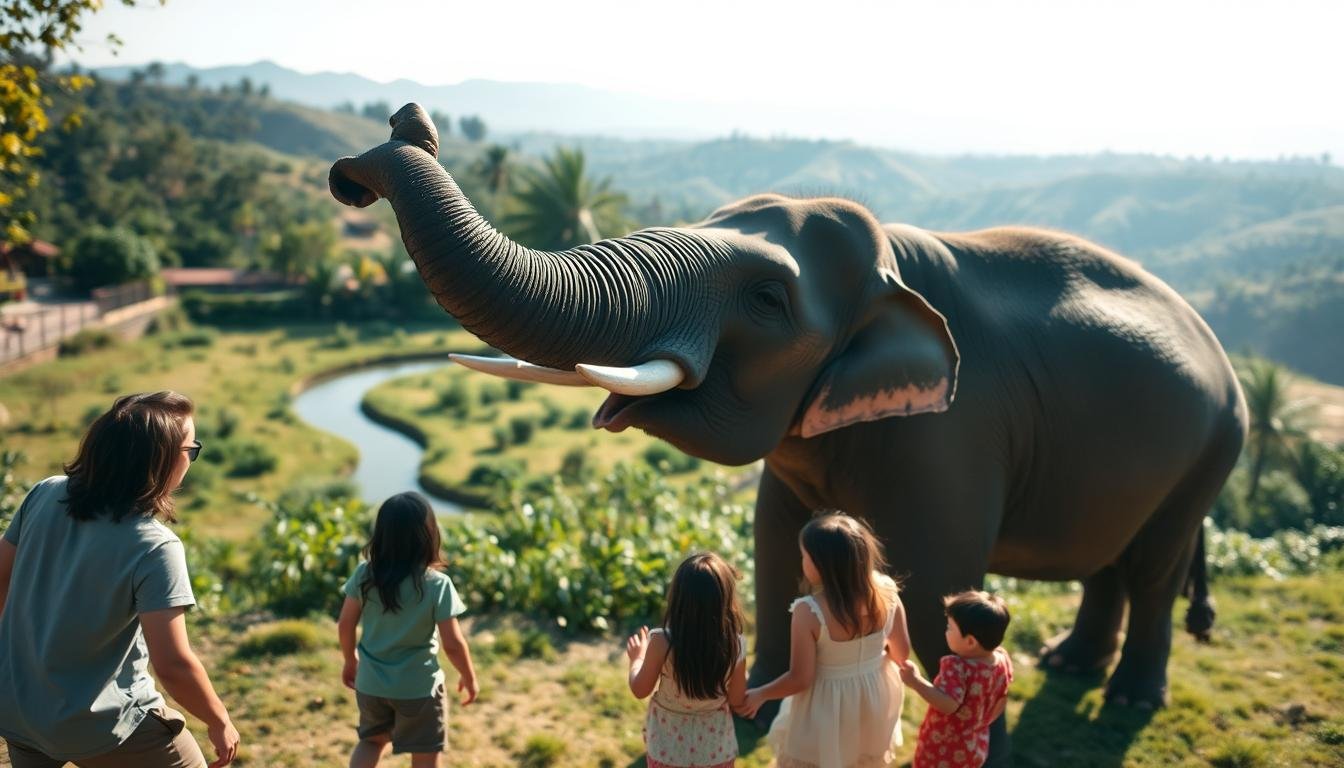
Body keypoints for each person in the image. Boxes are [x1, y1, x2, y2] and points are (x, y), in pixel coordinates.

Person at [0, 391, 240, 767]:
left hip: (18, 708)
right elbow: (173, 665)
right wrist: (219, 719)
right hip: (103, 723)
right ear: (160, 461)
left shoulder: (44, 494)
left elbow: (1, 580)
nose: (192, 459)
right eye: (191, 450)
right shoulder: (154, 547)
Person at [740, 511, 910, 768]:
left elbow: (801, 678)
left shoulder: (809, 611)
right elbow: (901, 653)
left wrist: (760, 694)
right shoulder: (887, 593)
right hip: (873, 697)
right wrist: (865, 659)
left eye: (804, 556)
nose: (802, 562)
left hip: (826, 707)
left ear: (822, 565)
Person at [338, 491, 477, 768]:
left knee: (371, 741)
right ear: (429, 535)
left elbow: (345, 623)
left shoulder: (365, 574)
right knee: (425, 754)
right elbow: (453, 643)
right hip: (419, 690)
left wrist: (350, 660)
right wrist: (469, 676)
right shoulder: (436, 584)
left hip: (371, 684)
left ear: (382, 534)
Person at [625, 552, 748, 768]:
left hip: (668, 750)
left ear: (677, 598)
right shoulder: (735, 645)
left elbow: (640, 689)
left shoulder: (662, 642)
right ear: (725, 600)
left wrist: (637, 659)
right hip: (715, 751)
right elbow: (737, 699)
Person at [899, 591, 1013, 768]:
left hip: (944, 748)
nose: (946, 631)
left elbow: (949, 704)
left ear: (970, 642)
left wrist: (915, 681)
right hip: (976, 742)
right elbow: (1002, 697)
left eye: (950, 627)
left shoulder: (957, 667)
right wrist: (982, 722)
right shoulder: (1002, 659)